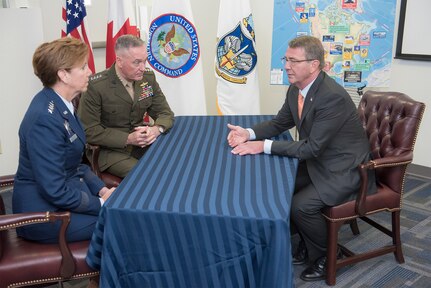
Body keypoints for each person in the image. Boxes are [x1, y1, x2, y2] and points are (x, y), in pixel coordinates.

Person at [226, 35, 376, 282]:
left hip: (345, 169)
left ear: (314, 65)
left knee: (300, 206)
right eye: (286, 59)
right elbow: (279, 123)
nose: (286, 65)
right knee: (280, 188)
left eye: (293, 61)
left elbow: (312, 148)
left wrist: (261, 146)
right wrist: (248, 133)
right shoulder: (296, 88)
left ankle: (330, 254)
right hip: (321, 161)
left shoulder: (332, 96)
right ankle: (309, 241)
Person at [13, 37, 115, 244]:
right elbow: (54, 190)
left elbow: (74, 164)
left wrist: (102, 189)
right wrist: (100, 203)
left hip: (63, 199)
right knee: (120, 221)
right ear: (63, 75)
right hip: (43, 214)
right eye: (84, 67)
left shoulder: (61, 103)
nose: (90, 72)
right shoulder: (45, 118)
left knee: (120, 213)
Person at [78, 35, 174, 178]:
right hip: (110, 151)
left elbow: (165, 113)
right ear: (119, 61)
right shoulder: (96, 86)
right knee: (148, 176)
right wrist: (128, 138)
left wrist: (156, 129)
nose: (143, 68)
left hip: (141, 144)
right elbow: (89, 131)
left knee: (172, 162)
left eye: (144, 61)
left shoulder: (147, 78)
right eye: (136, 63)